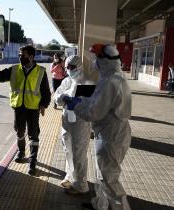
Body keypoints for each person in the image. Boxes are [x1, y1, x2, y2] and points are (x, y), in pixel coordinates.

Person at [66, 44, 132, 210]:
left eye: (97, 58)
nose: (94, 62)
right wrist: (81, 101)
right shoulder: (116, 77)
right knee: (102, 174)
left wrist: (75, 104)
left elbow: (93, 113)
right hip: (113, 132)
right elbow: (97, 101)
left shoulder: (110, 81)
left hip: (111, 135)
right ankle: (99, 205)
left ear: (105, 61)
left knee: (108, 179)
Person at [0, 45, 51, 175]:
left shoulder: (40, 71)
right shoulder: (15, 69)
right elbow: (0, 76)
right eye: (20, 55)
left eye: (23, 55)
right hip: (19, 107)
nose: (20, 57)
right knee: (19, 131)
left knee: (33, 134)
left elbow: (45, 91)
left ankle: (33, 160)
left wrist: (44, 105)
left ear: (31, 56)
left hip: (33, 108)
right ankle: (21, 152)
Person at [54, 55, 91, 194]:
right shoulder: (66, 81)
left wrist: (77, 102)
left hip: (80, 124)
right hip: (67, 121)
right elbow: (56, 98)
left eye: (72, 67)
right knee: (68, 151)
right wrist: (64, 97)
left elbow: (90, 104)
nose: (69, 70)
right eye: (67, 67)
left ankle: (81, 184)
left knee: (79, 153)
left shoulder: (87, 83)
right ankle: (70, 176)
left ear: (79, 67)